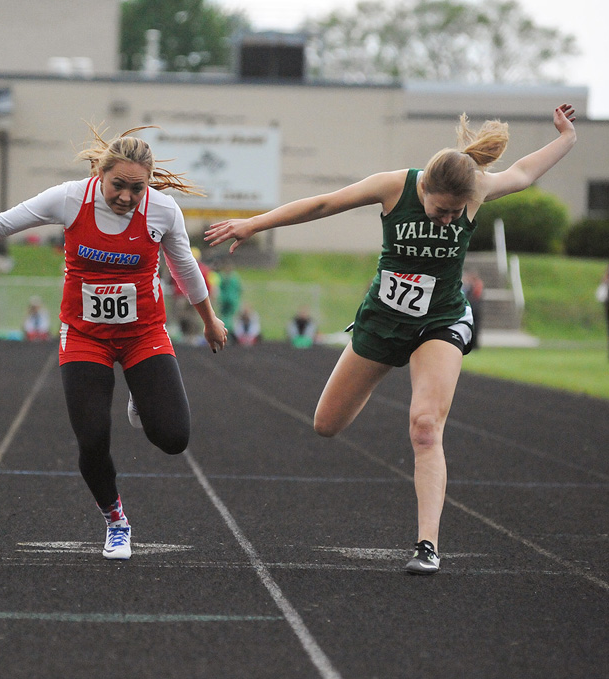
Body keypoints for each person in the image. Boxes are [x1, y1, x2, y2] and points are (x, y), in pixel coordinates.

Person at [206, 104, 576, 575]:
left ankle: (427, 545)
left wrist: (566, 138)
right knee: (326, 424)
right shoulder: (393, 186)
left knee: (425, 426)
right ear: (425, 189)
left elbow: (523, 173)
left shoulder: (475, 189)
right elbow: (322, 204)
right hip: (383, 320)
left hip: (439, 321)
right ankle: (380, 367)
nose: (447, 220)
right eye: (441, 211)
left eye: (455, 215)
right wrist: (254, 224)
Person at [0, 124, 227, 560]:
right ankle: (116, 521)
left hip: (143, 333)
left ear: (150, 184)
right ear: (99, 175)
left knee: (174, 438)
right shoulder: (70, 199)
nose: (125, 197)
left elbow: (184, 268)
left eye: (136, 188)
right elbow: (1, 225)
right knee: (92, 437)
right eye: (117, 186)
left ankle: (141, 397)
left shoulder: (163, 212)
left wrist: (210, 319)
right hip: (85, 335)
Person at [461, 269, 484, 350]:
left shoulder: (476, 285)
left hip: (475, 307)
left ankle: (474, 344)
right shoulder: (472, 285)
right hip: (474, 307)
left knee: (475, 327)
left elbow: (476, 296)